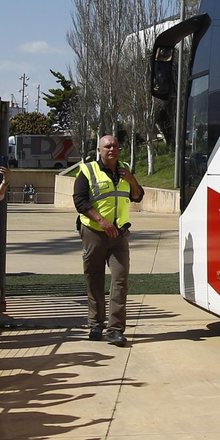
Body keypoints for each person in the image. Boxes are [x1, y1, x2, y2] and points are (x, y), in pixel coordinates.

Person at [72, 135, 143, 346]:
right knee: (94, 278)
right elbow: (80, 201)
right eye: (107, 146)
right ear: (99, 150)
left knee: (120, 280)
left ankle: (115, 329)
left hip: (119, 234)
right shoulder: (87, 170)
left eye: (115, 145)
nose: (111, 149)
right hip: (94, 231)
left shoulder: (125, 169)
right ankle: (95, 324)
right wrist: (102, 221)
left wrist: (132, 180)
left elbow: (138, 196)